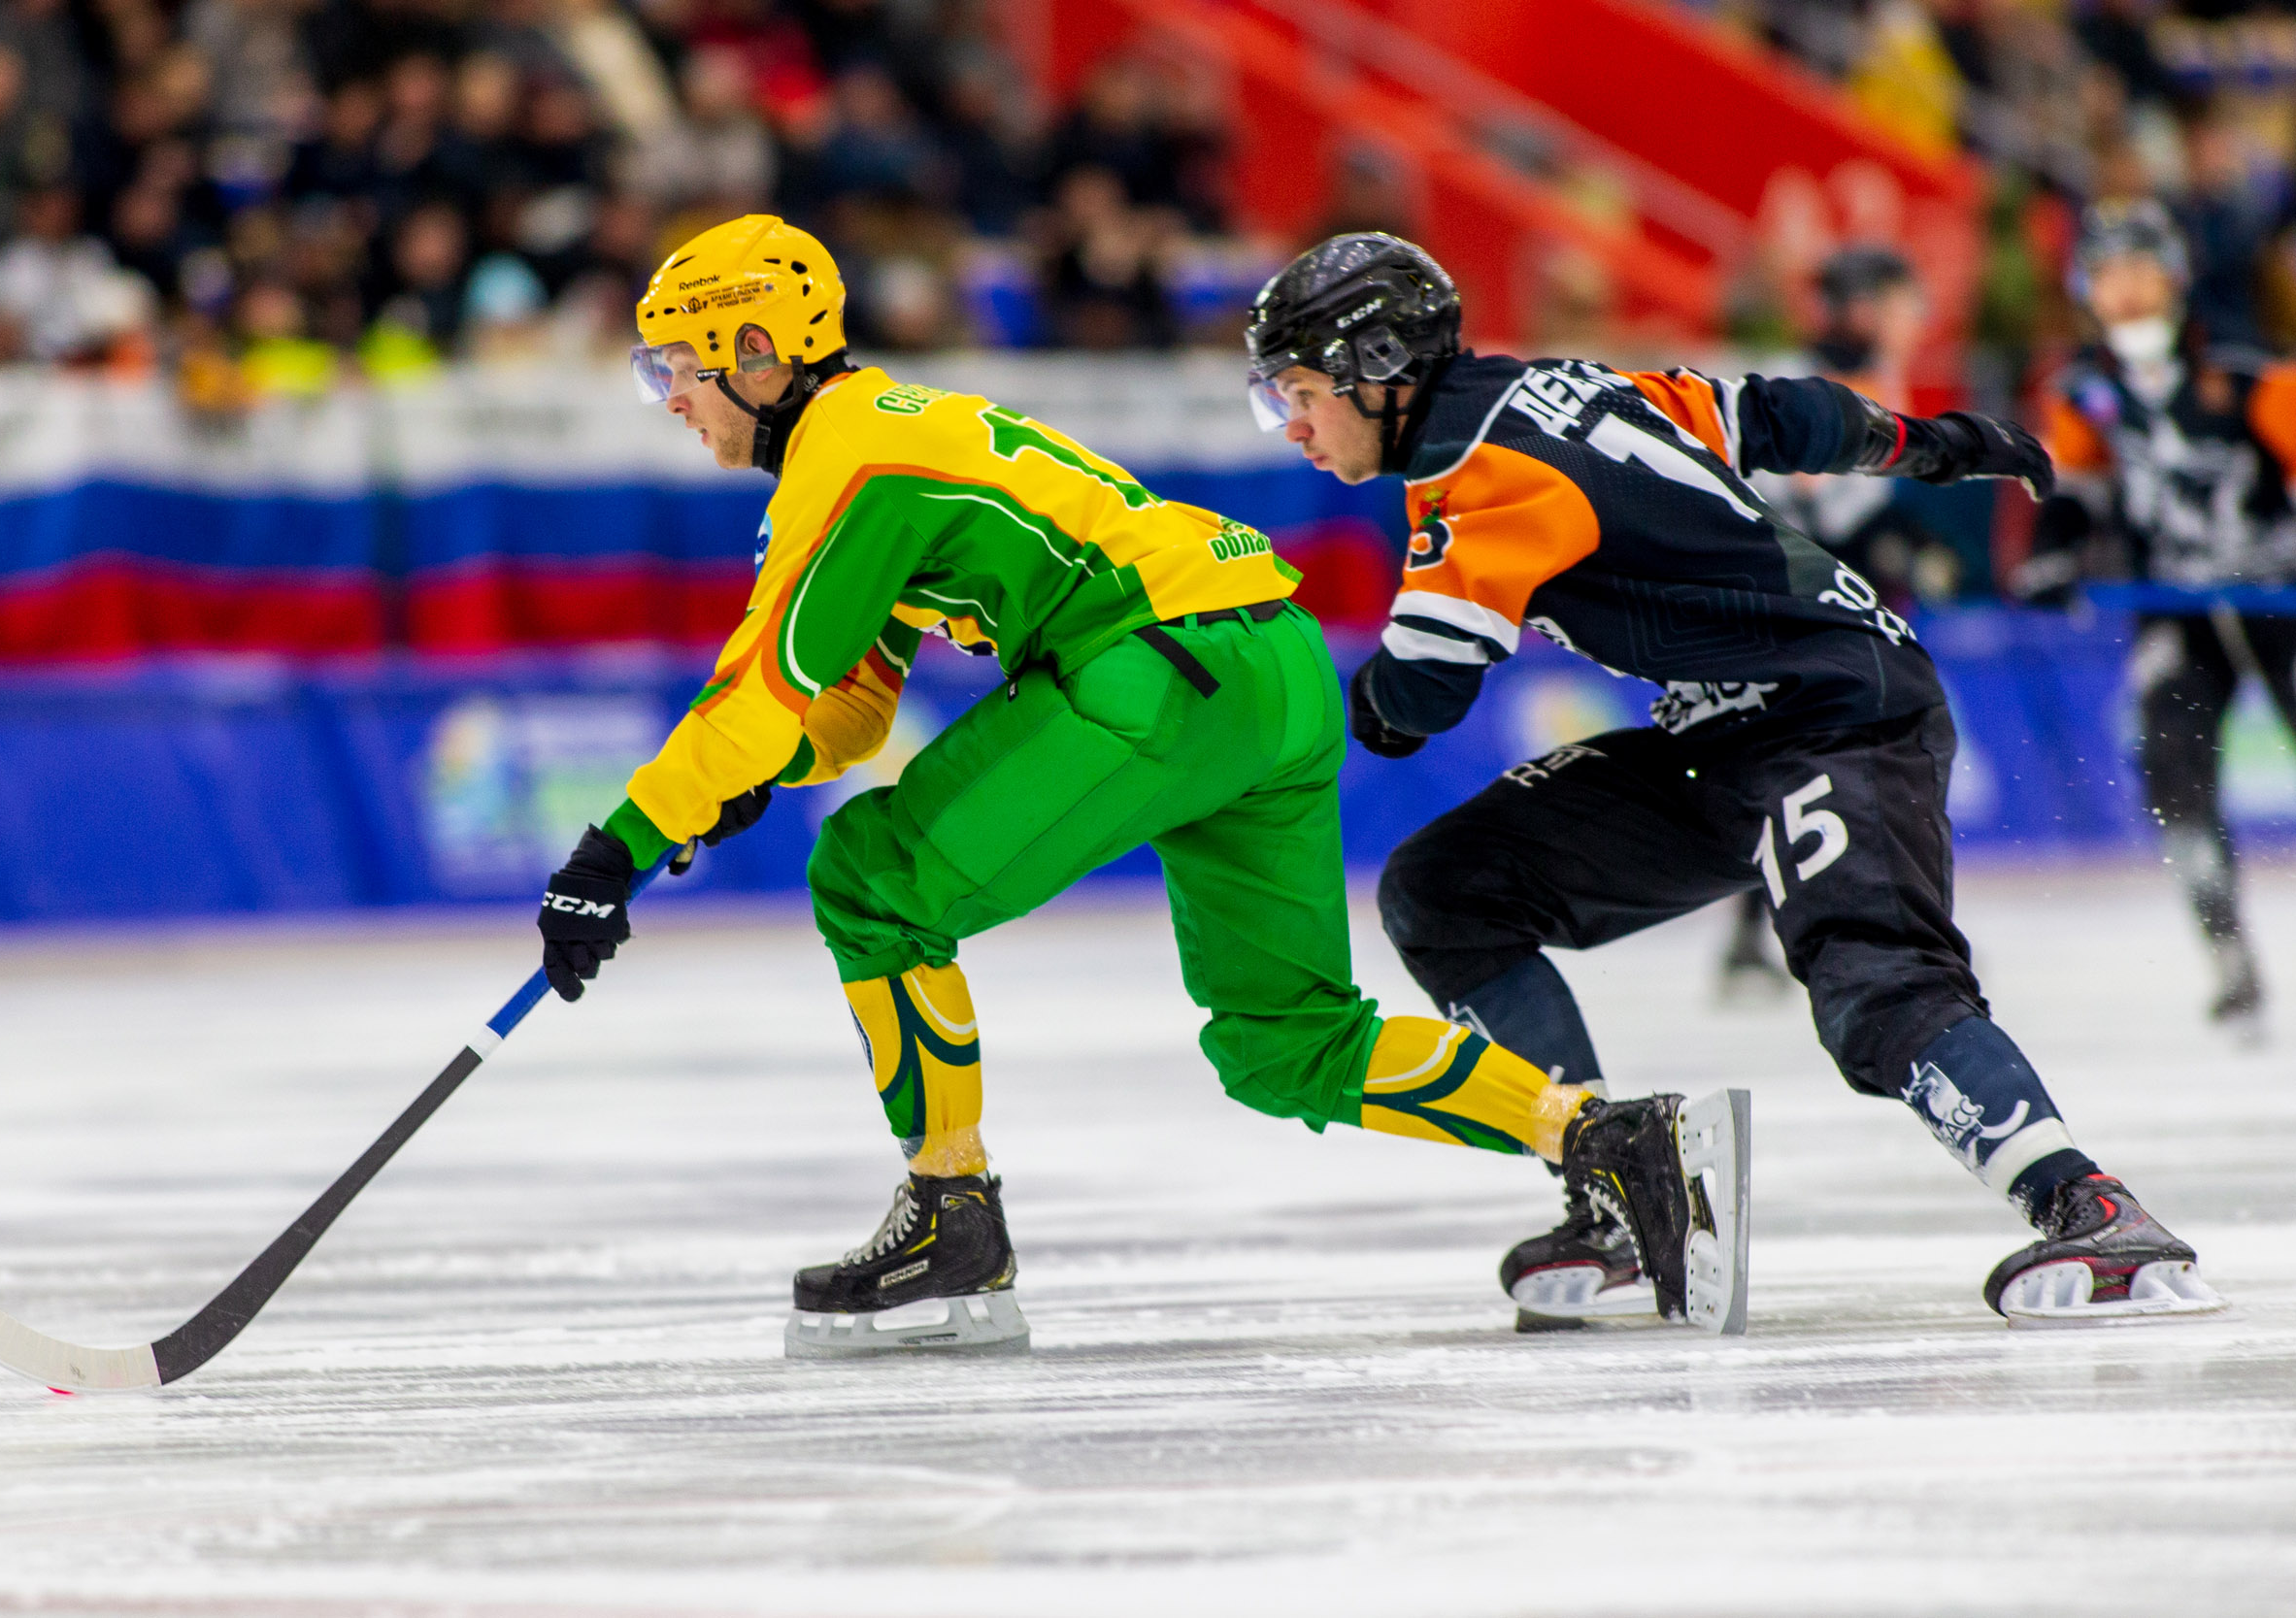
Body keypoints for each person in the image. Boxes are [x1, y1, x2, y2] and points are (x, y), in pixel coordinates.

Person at [531, 214, 1747, 1357]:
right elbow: (841, 709)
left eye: (674, 367)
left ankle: (952, 1216)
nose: (673, 400)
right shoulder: (885, 434)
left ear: (757, 349)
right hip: (1265, 659)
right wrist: (754, 779)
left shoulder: (846, 458)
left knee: (869, 877)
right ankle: (1610, 1140)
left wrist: (614, 850)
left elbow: (757, 691)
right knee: (1285, 1043)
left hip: (1153, 666)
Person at [1248, 231, 2225, 1330]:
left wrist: (1253, 697)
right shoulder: (1570, 385)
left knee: (1874, 986)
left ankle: (2093, 1211)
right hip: (1730, 734)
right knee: (1445, 889)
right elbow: (1778, 415)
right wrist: (1936, 445)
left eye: (1295, 392)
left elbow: (1411, 700)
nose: (1289, 425)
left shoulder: (1477, 478)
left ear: (1379, 369)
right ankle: (1617, 1188)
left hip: (1836, 714)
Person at [2020, 200, 2296, 1040]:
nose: (2128, 292)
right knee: (2172, 768)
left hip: (2275, 600)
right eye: (2109, 275)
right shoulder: (2086, 392)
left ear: (2174, 277)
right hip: (2175, 609)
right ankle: (2228, 955)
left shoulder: (2249, 372)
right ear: (2085, 290)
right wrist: (2053, 557)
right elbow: (2076, 491)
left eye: (2142, 270)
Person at [1726, 244, 1951, 1000]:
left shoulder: (1861, 374)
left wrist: (1903, 544)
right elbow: (1819, 508)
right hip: (1787, 587)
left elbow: (1862, 504)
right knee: (1797, 753)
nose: (1901, 317)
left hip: (1811, 581)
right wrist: (1897, 547)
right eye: (1888, 300)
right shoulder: (1808, 378)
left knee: (1817, 754)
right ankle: (1761, 932)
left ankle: (1767, 933)